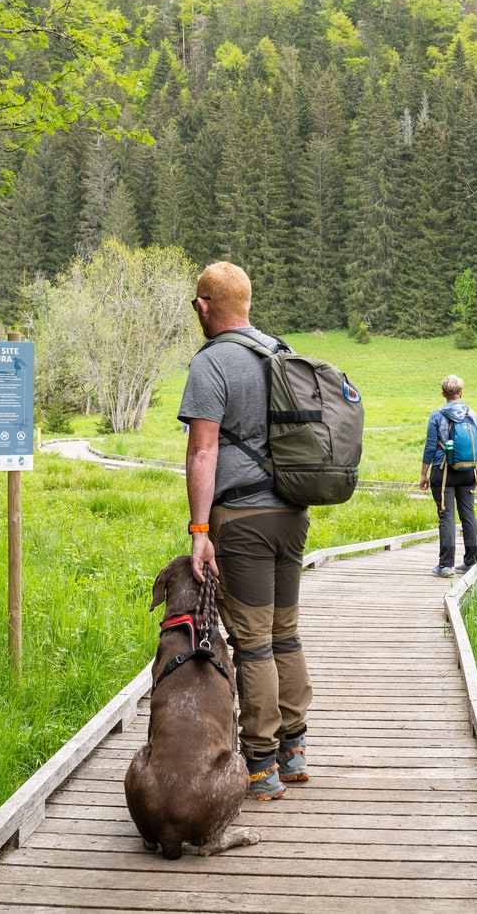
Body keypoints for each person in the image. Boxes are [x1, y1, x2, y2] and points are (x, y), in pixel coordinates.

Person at [179, 261, 311, 802]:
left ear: (205, 307)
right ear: (249, 302)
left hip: (244, 522)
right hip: (293, 515)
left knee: (253, 642)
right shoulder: (281, 352)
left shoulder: (211, 364)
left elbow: (203, 450)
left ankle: (261, 763)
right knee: (286, 632)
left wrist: (199, 529)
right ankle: (295, 748)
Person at [418, 374, 477, 576]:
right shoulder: (473, 414)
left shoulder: (437, 415)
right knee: (468, 515)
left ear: (443, 394)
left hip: (443, 471)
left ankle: (446, 566)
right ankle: (472, 561)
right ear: (461, 393)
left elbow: (430, 447)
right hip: (468, 472)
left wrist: (423, 474)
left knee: (446, 516)